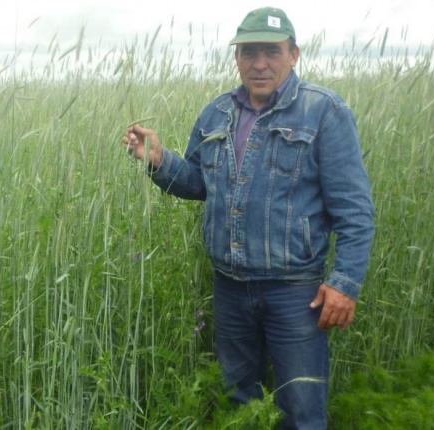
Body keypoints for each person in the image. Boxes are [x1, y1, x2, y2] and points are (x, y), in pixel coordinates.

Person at [122, 6, 375, 429]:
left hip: (296, 293)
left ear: (294, 54)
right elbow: (200, 185)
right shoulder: (217, 113)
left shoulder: (324, 112)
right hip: (230, 289)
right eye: (249, 51)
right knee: (240, 404)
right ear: (236, 57)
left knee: (302, 410)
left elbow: (354, 210)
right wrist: (161, 160)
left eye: (271, 52)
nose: (260, 63)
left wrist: (344, 284)